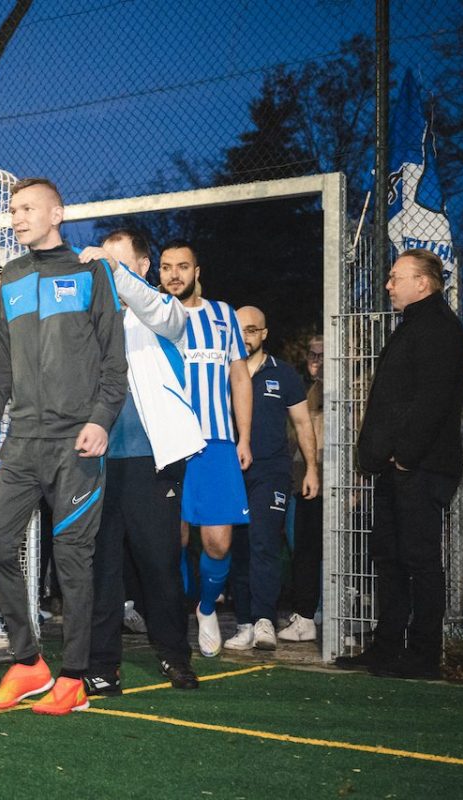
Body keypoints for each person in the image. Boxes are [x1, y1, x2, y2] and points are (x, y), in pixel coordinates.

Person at [0, 177, 126, 715]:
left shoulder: (90, 271)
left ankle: (75, 676)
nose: (16, 218)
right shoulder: (9, 277)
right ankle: (28, 663)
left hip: (75, 445)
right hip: (23, 443)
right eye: (12, 210)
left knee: (72, 562)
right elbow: (1, 365)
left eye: (27, 208)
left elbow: (114, 362)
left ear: (57, 213)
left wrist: (102, 420)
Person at [76, 229, 206, 696]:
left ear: (143, 268)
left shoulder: (162, 314)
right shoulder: (89, 320)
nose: (107, 272)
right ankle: (102, 667)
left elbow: (157, 310)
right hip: (96, 462)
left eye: (120, 263)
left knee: (159, 566)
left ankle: (174, 656)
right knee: (101, 569)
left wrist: (116, 274)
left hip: (152, 461)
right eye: (103, 264)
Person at [340, 248, 463, 680]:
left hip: (420, 468)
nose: (389, 285)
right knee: (389, 558)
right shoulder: (415, 326)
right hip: (401, 469)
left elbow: (431, 401)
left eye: (396, 277)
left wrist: (405, 458)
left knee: (419, 561)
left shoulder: (438, 330)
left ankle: (423, 655)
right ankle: (387, 648)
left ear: (423, 283)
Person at [158, 240, 253, 658]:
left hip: (215, 443)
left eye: (182, 266)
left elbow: (239, 378)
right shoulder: (153, 316)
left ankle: (207, 606)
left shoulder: (223, 315)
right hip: (167, 444)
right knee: (172, 541)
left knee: (218, 542)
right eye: (165, 268)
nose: (174, 274)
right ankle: (174, 614)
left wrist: (243, 437)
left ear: (197, 271)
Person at [224, 307, 319, 651]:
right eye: (239, 330)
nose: (245, 336)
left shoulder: (285, 374)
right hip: (230, 472)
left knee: (264, 541)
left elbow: (303, 424)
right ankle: (244, 623)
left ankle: (265, 619)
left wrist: (311, 468)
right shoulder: (221, 372)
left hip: (271, 472)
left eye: (251, 330)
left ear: (264, 333)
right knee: (237, 547)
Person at [278, 334, 325, 643]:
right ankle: (308, 610)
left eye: (322, 355)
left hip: (325, 481)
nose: (315, 361)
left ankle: (318, 609)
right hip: (299, 481)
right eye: (312, 355)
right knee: (301, 547)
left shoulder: (341, 391)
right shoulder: (306, 391)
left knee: (317, 549)